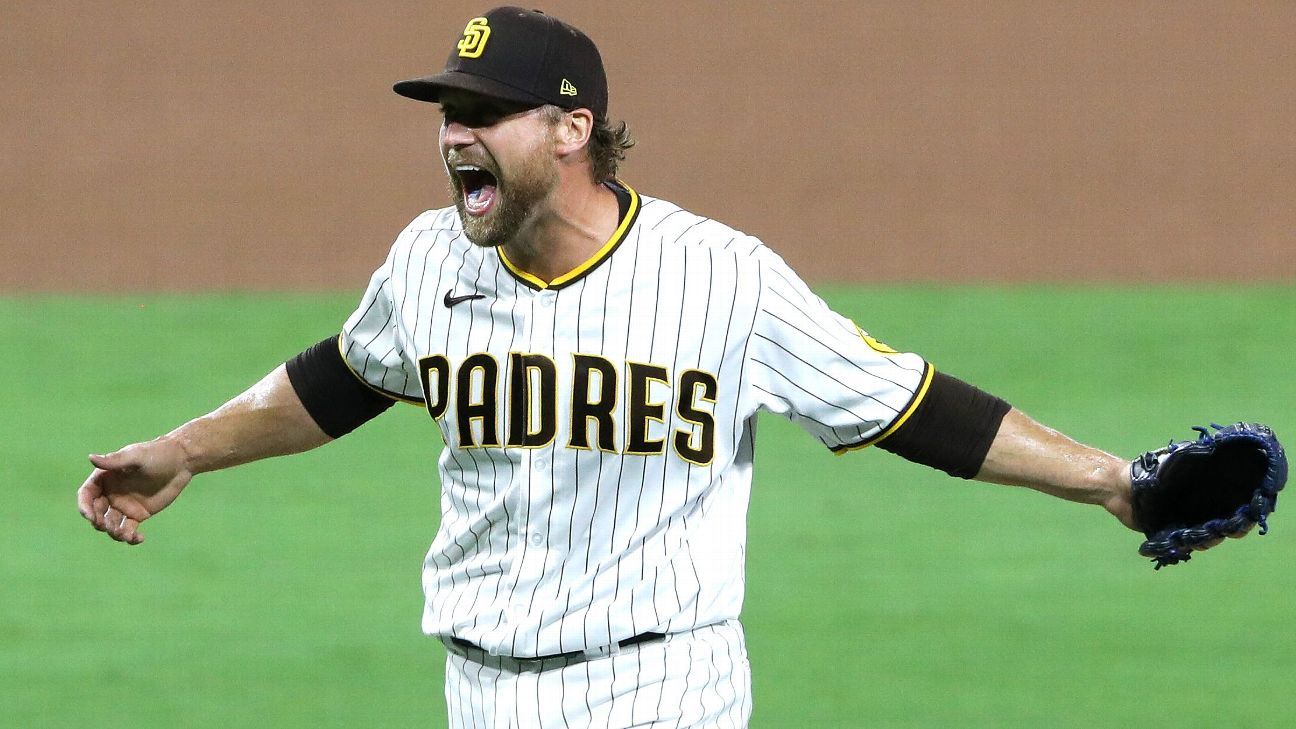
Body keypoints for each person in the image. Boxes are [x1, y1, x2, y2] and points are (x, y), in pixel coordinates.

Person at [78, 7, 1173, 727]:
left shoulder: (722, 278)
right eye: (448, 116)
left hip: (658, 688)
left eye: (485, 115)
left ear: (571, 129)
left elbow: (911, 405)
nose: (456, 136)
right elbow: (343, 378)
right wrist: (185, 451)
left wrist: (1113, 482)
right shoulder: (426, 261)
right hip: (479, 689)